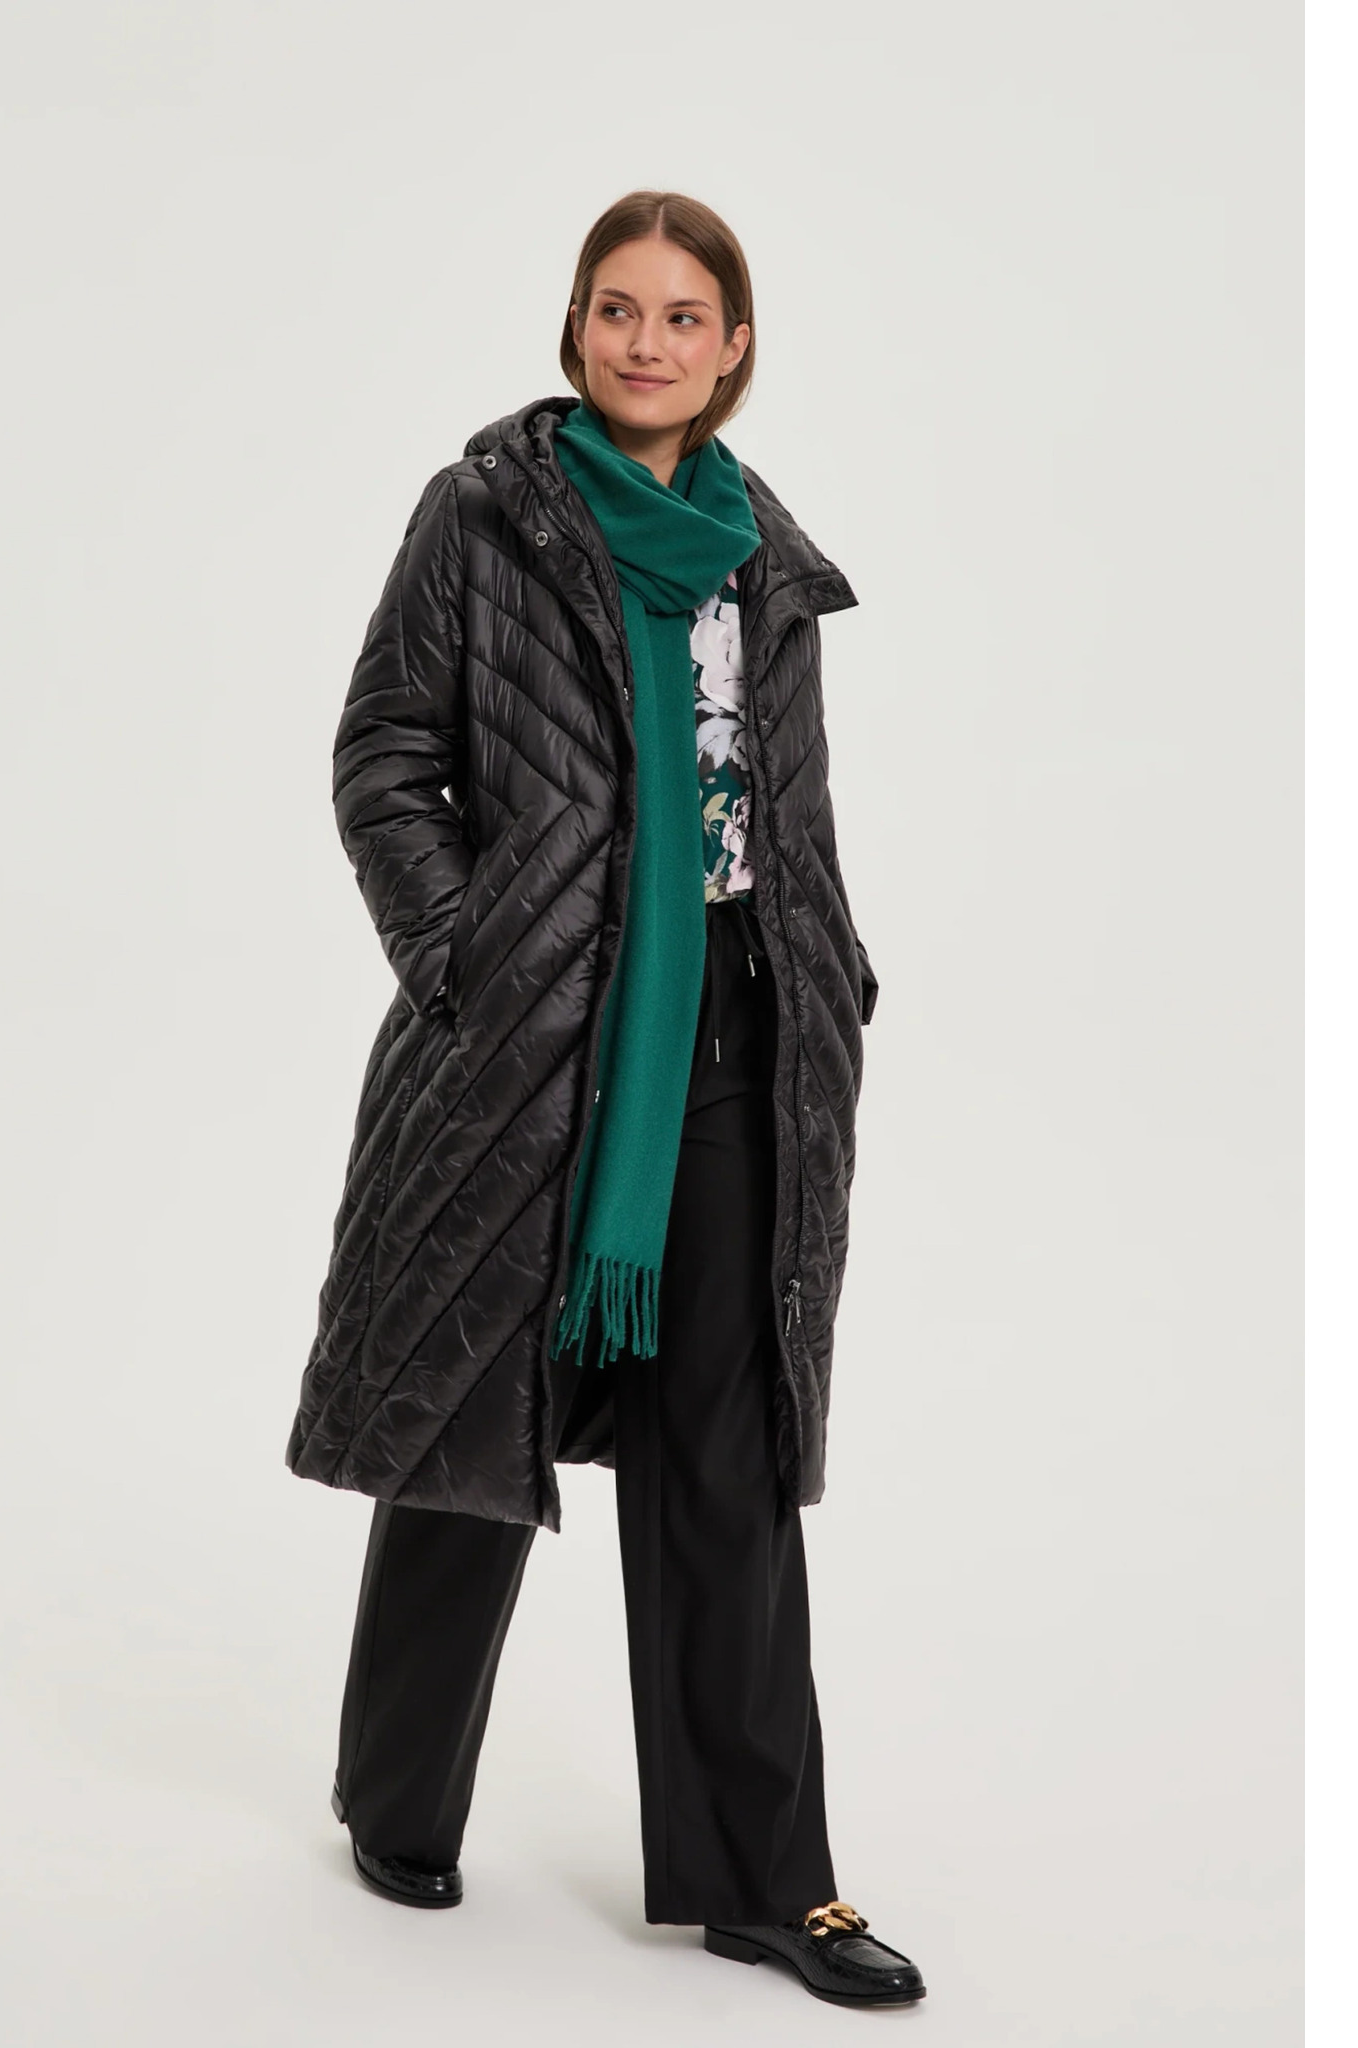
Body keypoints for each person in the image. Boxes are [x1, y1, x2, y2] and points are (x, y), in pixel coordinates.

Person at [286, 189, 926, 2010]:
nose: (648, 341)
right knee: (471, 1419)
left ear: (734, 349)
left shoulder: (763, 555)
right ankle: (396, 1794)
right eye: (618, 308)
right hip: (532, 1030)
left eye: (684, 314)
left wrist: (832, 966)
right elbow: (385, 754)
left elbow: (781, 807)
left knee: (729, 1452)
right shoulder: (484, 514)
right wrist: (469, 954)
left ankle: (767, 1884)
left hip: (733, 1034)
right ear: (575, 329)